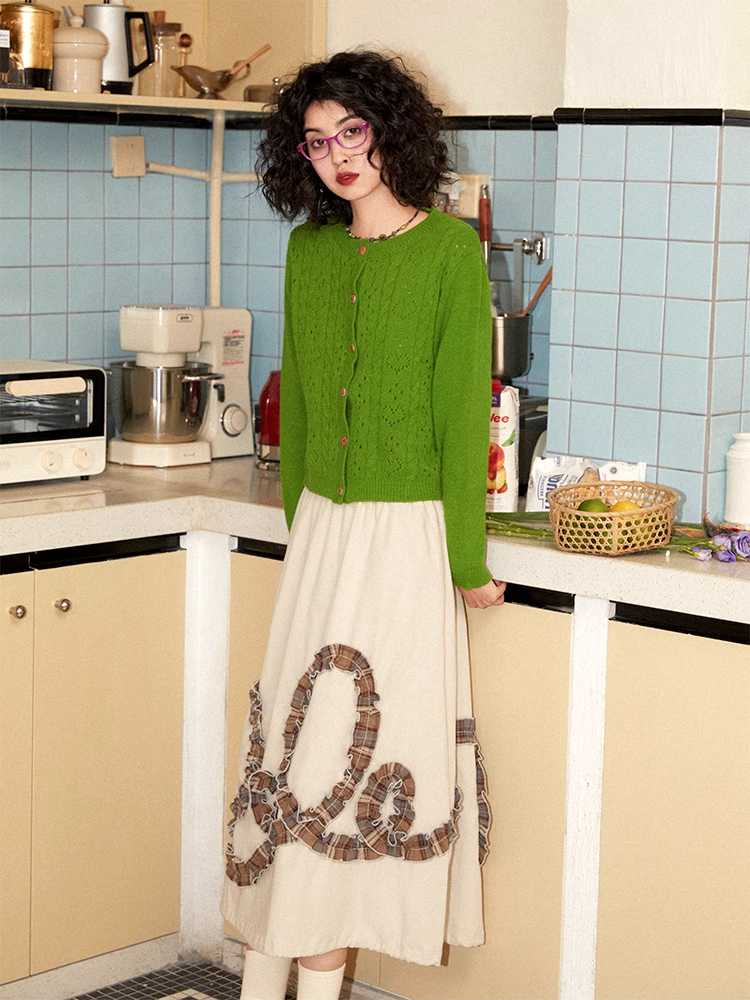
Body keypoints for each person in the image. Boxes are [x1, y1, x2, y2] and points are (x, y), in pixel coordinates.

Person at [221, 49, 506, 1000]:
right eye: (316, 141)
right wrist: (304, 527)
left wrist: (465, 561)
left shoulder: (449, 252)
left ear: (391, 133)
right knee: (295, 755)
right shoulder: (309, 251)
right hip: (323, 538)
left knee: (358, 756)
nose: (339, 155)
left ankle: (312, 964)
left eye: (353, 131)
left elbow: (461, 416)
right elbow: (301, 400)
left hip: (406, 543)